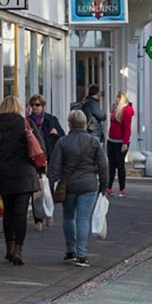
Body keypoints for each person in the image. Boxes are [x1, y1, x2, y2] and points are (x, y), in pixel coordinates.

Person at [48, 107, 110, 266]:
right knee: (83, 219)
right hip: (88, 185)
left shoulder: (62, 142)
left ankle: (70, 251)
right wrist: (104, 187)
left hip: (68, 185)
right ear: (84, 124)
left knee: (69, 217)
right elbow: (103, 167)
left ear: (69, 124)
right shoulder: (94, 141)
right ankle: (82, 255)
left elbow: (54, 167)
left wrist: (51, 186)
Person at [0, 95, 39, 266]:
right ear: (18, 107)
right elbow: (40, 147)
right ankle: (18, 249)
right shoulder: (26, 123)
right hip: (25, 174)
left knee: (8, 213)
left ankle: (9, 248)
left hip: (6, 174)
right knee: (21, 214)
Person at [106, 89, 136, 196]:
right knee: (111, 165)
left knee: (120, 164)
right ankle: (109, 187)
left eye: (117, 100)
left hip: (120, 142)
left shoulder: (126, 111)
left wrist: (125, 143)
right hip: (112, 140)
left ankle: (122, 187)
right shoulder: (116, 110)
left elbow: (127, 128)